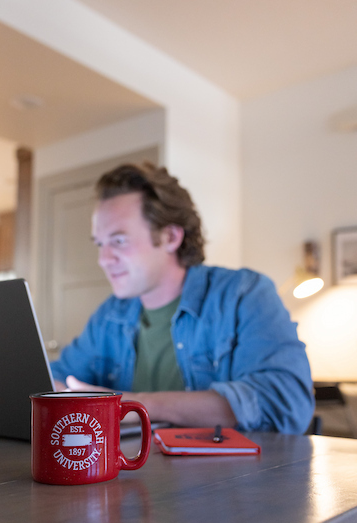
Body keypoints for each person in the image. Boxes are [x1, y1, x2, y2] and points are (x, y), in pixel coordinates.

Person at [51, 162, 315, 433]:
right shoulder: (110, 315)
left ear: (170, 236)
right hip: (134, 471)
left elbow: (286, 403)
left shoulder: (244, 294)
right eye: (100, 243)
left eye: (118, 241)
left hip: (229, 474)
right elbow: (56, 379)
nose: (103, 260)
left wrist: (135, 406)